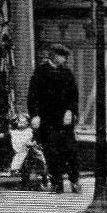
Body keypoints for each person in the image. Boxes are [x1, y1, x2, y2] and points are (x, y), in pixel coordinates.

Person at [27, 43, 80, 194]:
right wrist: (35, 115)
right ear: (54, 56)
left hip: (64, 119)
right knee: (51, 151)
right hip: (47, 119)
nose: (65, 59)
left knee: (70, 150)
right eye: (63, 56)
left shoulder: (67, 73)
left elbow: (74, 95)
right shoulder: (40, 72)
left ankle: (74, 180)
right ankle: (57, 182)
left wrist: (71, 111)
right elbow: (33, 96)